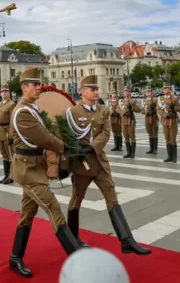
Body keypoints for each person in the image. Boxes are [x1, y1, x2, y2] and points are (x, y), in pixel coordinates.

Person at [65, 75, 152, 256]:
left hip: (100, 163)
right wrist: (74, 152)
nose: (96, 92)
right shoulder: (72, 112)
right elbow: (66, 135)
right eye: (92, 89)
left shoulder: (103, 111)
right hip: (82, 165)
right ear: (83, 92)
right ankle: (73, 236)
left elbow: (106, 133)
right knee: (76, 199)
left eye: (97, 89)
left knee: (112, 197)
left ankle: (127, 240)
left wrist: (91, 147)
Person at [8, 68, 80, 278]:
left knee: (27, 214)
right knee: (53, 206)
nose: (39, 87)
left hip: (34, 167)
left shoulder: (31, 108)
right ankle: (77, 259)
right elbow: (45, 139)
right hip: (27, 170)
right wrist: (68, 148)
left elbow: (47, 136)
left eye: (40, 84)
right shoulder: (23, 112)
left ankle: (15, 257)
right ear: (24, 87)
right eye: (34, 84)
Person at [0, 85, 16, 184]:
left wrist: (11, 136)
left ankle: (11, 176)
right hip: (0, 131)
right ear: (0, 93)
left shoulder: (11, 105)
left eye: (6, 91)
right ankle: (6, 175)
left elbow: (12, 121)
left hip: (7, 132)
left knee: (10, 154)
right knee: (4, 154)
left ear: (9, 93)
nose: (4, 93)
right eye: (3, 91)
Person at [157, 84, 180, 163]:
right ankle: (169, 156)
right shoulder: (160, 99)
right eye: (164, 88)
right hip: (165, 121)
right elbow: (158, 109)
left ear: (169, 89)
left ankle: (174, 157)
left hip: (172, 120)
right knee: (167, 139)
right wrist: (165, 115)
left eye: (166, 88)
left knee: (173, 139)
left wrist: (173, 108)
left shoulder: (174, 98)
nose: (165, 90)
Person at [116, 88, 139, 159]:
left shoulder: (133, 101)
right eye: (124, 91)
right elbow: (117, 109)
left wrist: (132, 108)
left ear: (129, 93)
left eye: (127, 92)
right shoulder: (121, 101)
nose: (125, 93)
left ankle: (132, 153)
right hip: (124, 120)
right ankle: (128, 152)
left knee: (132, 136)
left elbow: (138, 109)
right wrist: (123, 113)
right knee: (125, 136)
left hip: (130, 120)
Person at [136, 88, 159, 154]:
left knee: (154, 132)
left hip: (154, 117)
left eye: (149, 92)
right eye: (147, 92)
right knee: (149, 132)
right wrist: (145, 112)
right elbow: (141, 109)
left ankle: (155, 149)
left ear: (151, 92)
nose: (148, 93)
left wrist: (154, 110)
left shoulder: (155, 100)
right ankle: (151, 148)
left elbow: (158, 107)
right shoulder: (144, 101)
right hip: (147, 117)